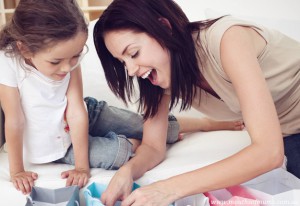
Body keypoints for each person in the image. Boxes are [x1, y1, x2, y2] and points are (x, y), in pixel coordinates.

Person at [0, 0, 244, 196]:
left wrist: (83, 167)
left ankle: (203, 123)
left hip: (87, 115)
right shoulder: (8, 63)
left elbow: (76, 111)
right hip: (55, 146)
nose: (67, 67)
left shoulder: (68, 56)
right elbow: (15, 120)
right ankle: (137, 140)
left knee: (159, 129)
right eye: (56, 62)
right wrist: (17, 170)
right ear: (24, 48)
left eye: (75, 57)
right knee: (118, 153)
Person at [93, 0, 300, 205]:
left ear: (164, 27)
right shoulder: (160, 78)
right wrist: (126, 171)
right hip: (290, 134)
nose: (130, 70)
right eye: (123, 62)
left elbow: (269, 152)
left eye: (133, 54)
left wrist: (167, 189)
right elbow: (153, 146)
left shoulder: (228, 40)